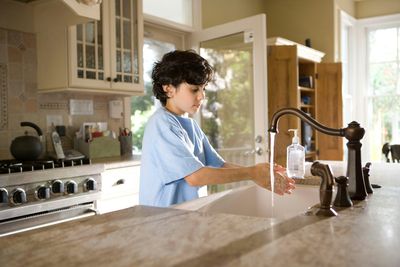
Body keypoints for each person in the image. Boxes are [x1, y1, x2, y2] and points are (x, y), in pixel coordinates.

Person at [139, 50, 295, 207]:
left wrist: (260, 175)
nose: (202, 96)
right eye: (194, 90)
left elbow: (219, 165)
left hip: (186, 214)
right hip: (163, 221)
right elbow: (195, 177)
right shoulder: (162, 125)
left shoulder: (189, 125)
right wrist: (252, 172)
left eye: (203, 88)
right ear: (169, 89)